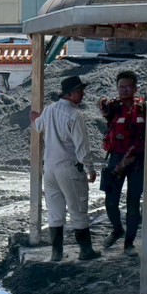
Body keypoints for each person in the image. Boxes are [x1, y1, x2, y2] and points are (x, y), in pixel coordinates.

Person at [35, 74, 99, 262]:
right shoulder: (75, 115)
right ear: (70, 94)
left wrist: (34, 118)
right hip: (70, 169)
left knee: (55, 213)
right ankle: (86, 251)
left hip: (50, 170)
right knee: (78, 210)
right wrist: (90, 168)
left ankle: (57, 253)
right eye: (80, 91)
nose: (83, 95)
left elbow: (38, 126)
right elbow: (82, 147)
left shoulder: (49, 110)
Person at [99, 69, 147, 252]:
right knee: (110, 200)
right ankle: (117, 229)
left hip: (139, 160)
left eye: (128, 87)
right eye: (121, 87)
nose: (124, 90)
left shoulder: (144, 108)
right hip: (117, 157)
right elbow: (102, 106)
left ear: (135, 88)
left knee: (133, 202)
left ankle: (129, 242)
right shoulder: (113, 107)